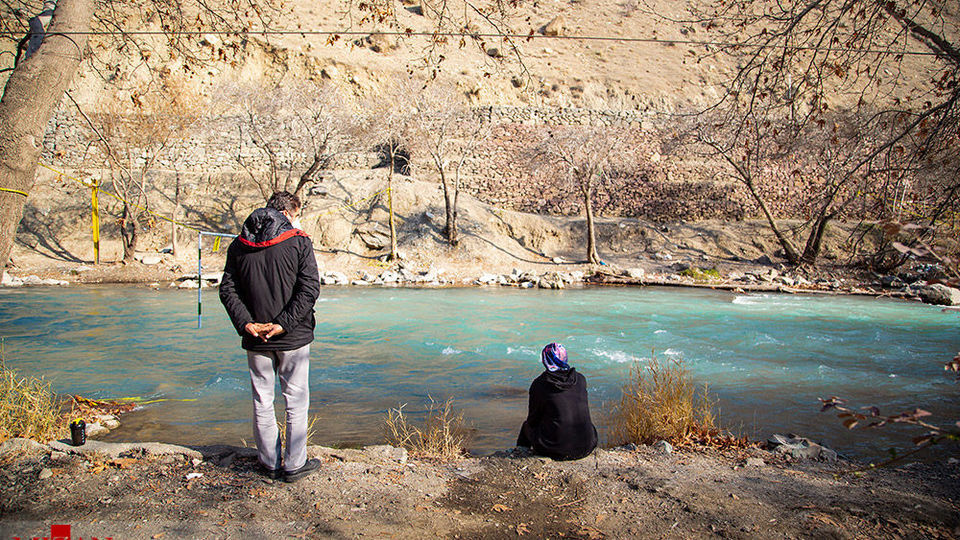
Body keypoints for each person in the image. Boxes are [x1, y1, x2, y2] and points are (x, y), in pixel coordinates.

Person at [219, 191, 322, 483]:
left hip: (255, 338)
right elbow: (310, 289)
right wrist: (283, 324)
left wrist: (247, 324)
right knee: (295, 401)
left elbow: (227, 290)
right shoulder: (299, 241)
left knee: (262, 400)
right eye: (296, 214)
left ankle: (269, 463)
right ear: (287, 213)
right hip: (293, 336)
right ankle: (294, 465)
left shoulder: (239, 244)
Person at [517, 343, 598, 461]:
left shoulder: (540, 384)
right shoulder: (580, 379)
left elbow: (533, 419)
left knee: (527, 427)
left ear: (545, 360)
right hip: (587, 445)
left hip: (557, 449)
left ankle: (520, 455)